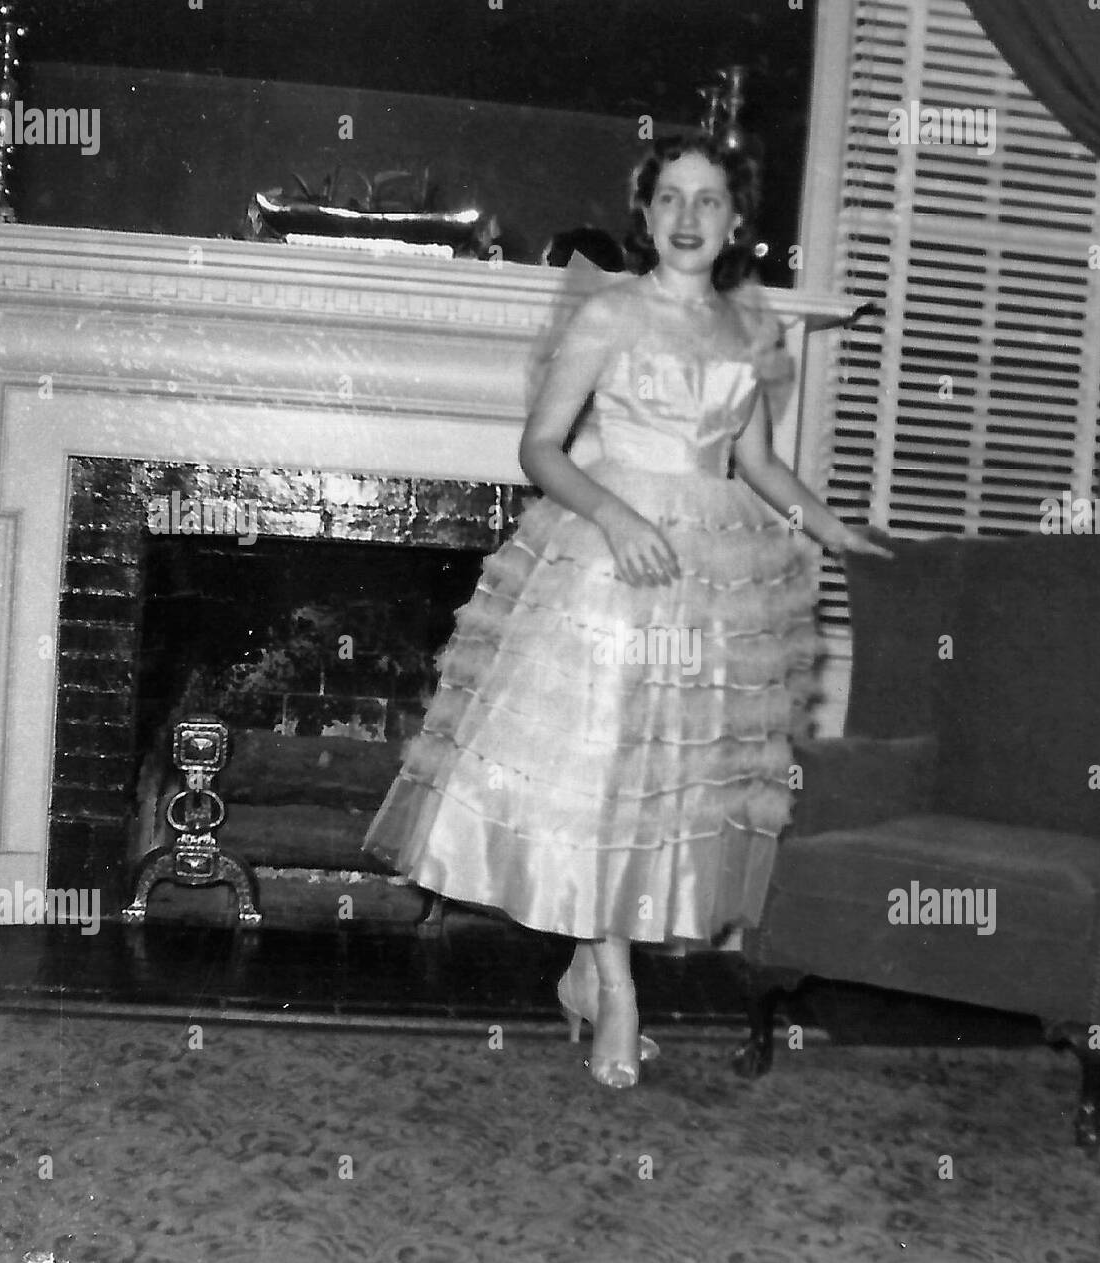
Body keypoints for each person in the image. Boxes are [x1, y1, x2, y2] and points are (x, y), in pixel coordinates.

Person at [363, 133, 890, 1088]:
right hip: (610, 561)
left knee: (668, 786)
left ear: (736, 222)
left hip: (711, 575)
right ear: (646, 217)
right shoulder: (608, 312)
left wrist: (839, 532)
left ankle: (584, 968)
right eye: (671, 199)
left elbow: (760, 464)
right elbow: (542, 447)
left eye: (710, 200)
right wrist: (613, 516)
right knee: (603, 778)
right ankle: (618, 989)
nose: (689, 217)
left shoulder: (750, 329)